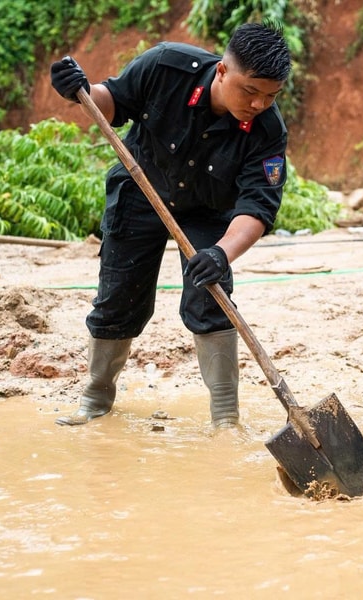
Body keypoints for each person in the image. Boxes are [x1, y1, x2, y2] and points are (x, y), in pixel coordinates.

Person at [49, 23, 292, 428]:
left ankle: (225, 418)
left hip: (207, 209)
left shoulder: (267, 130)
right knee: (118, 296)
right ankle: (95, 398)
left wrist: (221, 253)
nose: (259, 104)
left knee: (211, 298)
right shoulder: (166, 66)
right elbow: (114, 102)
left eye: (271, 96)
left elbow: (258, 205)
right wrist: (80, 90)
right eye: (251, 91)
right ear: (222, 71)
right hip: (140, 189)